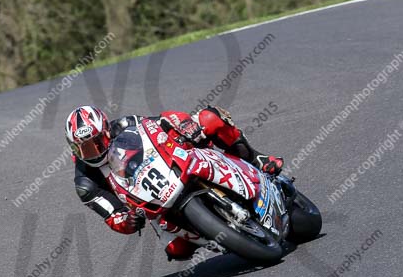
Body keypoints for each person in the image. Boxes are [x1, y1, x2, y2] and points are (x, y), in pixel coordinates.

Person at [65, 105, 283, 261]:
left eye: (96, 142)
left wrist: (183, 125)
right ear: (74, 149)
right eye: (84, 148)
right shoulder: (85, 182)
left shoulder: (125, 124)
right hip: (149, 205)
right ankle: (213, 232)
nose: (93, 151)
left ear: (106, 131)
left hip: (170, 166)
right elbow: (111, 214)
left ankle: (255, 158)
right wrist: (125, 221)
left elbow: (161, 122)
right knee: (177, 250)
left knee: (209, 118)